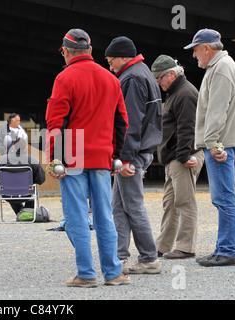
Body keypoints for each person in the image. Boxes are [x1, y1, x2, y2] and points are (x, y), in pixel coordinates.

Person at [46, 28, 130, 287]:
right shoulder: (111, 79)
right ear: (91, 51)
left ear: (66, 51)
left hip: (72, 156)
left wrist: (55, 159)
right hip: (103, 157)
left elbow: (56, 122)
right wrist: (115, 155)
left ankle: (86, 274)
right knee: (104, 216)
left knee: (77, 216)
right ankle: (114, 273)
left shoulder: (64, 78)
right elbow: (122, 122)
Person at [105, 36, 163, 274]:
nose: (110, 67)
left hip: (133, 154)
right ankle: (121, 257)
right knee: (119, 206)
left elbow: (129, 122)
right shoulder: (145, 73)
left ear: (123, 57)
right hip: (143, 150)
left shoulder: (131, 78)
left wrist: (125, 159)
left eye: (111, 61)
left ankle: (149, 259)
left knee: (133, 206)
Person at [184, 28, 235, 267]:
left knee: (224, 198)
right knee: (226, 198)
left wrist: (214, 145)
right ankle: (225, 248)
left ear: (207, 48)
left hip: (222, 144)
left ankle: (226, 251)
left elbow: (217, 112)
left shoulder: (221, 69)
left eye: (196, 51)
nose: (195, 56)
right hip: (230, 142)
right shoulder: (224, 66)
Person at [150, 55, 204, 259]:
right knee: (170, 204)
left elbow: (187, 128)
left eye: (159, 77)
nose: (157, 82)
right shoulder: (175, 91)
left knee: (184, 202)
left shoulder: (185, 94)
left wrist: (183, 156)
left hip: (182, 157)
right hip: (174, 157)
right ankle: (163, 245)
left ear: (171, 74)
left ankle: (186, 247)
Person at [0, 138, 45, 214]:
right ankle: (27, 213)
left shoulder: (2, 160)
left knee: (10, 188)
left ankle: (20, 213)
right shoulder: (33, 160)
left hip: (7, 194)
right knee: (33, 188)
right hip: (27, 194)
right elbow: (40, 179)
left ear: (13, 147)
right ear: (26, 147)